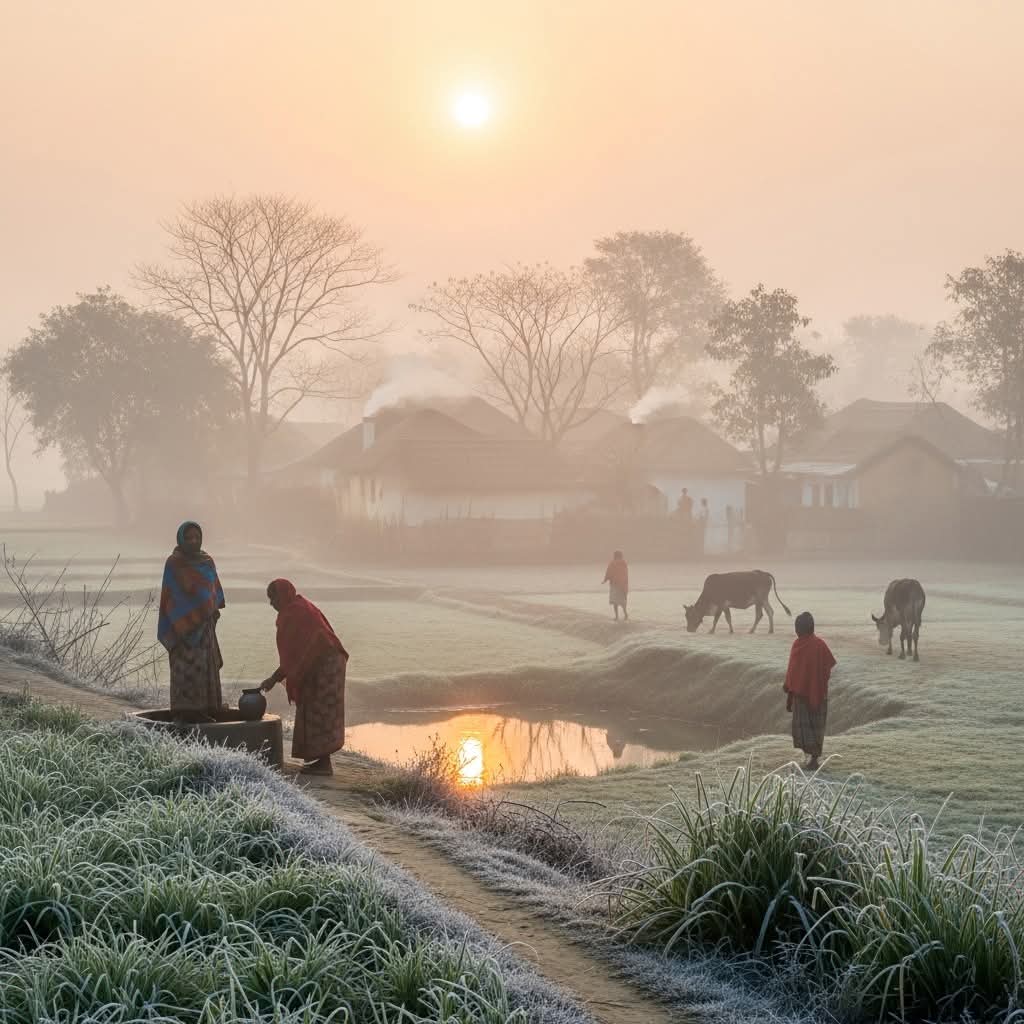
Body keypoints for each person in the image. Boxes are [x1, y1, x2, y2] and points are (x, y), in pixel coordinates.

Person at [260, 578, 348, 775]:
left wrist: (273, 679)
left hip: (326, 664)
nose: (272, 603)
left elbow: (296, 654)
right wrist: (275, 678)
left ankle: (323, 765)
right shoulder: (298, 607)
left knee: (319, 708)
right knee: (311, 707)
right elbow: (296, 655)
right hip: (322, 662)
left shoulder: (294, 613)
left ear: (283, 595)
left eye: (273, 598)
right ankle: (319, 761)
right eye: (269, 599)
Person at [157, 521, 225, 721]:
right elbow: (170, 597)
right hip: (181, 630)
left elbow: (213, 593)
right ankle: (184, 712)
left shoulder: (207, 561)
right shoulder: (174, 563)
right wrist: (185, 619)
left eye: (197, 537)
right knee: (184, 671)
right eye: (189, 538)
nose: (193, 541)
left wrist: (208, 611)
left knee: (205, 668)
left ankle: (205, 711)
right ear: (180, 539)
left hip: (204, 629)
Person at [783, 611, 836, 771]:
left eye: (797, 627)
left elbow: (792, 673)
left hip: (802, 695)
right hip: (818, 693)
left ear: (801, 628)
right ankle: (812, 757)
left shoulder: (798, 645)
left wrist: (790, 696)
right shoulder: (819, 644)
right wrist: (817, 682)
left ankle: (812, 759)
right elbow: (828, 667)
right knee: (816, 726)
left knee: (806, 728)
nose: (796, 631)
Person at [602, 550, 629, 621]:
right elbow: (625, 574)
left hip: (614, 584)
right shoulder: (623, 563)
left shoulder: (612, 563)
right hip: (622, 584)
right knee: (622, 601)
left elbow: (609, 572)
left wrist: (605, 580)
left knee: (615, 601)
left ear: (615, 556)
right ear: (621, 555)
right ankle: (625, 614)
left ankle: (617, 616)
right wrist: (625, 583)